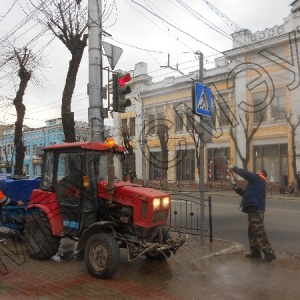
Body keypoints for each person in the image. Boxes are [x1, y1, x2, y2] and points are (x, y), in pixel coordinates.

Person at [229, 165, 276, 263]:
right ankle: (255, 253)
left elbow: (246, 174)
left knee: (259, 231)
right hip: (253, 208)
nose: (255, 172)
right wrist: (236, 188)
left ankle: (269, 253)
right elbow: (245, 194)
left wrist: (234, 168)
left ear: (261, 173)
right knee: (252, 232)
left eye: (257, 171)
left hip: (256, 208)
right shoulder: (255, 183)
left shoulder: (259, 178)